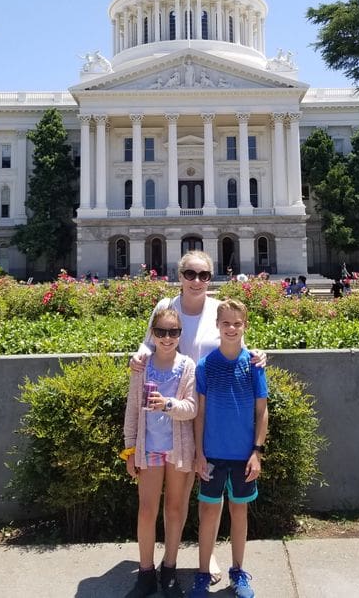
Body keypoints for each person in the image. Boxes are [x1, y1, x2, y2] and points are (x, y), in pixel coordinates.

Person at [131, 250, 267, 586]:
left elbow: (237, 344)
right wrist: (139, 354)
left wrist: (258, 355)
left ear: (211, 277)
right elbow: (150, 343)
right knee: (183, 493)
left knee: (204, 490)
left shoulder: (218, 310)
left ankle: (206, 556)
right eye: (190, 274)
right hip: (170, 412)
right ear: (179, 276)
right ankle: (171, 564)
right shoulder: (166, 306)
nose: (196, 281)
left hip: (206, 410)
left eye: (203, 275)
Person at [189, 299, 268, 598]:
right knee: (208, 513)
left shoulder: (254, 364)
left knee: (239, 512)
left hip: (243, 455)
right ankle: (201, 573)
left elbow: (262, 411)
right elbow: (200, 413)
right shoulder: (205, 366)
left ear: (245, 326)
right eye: (226, 323)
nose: (232, 328)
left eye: (237, 323)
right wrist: (199, 453)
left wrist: (256, 452)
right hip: (212, 454)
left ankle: (238, 571)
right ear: (217, 326)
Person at [123, 308, 197, 598]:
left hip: (177, 450)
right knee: (146, 510)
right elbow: (131, 410)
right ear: (152, 334)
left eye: (173, 332)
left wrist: (167, 404)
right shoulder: (142, 366)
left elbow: (192, 408)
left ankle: (169, 569)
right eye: (161, 332)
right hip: (149, 448)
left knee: (175, 509)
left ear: (180, 335)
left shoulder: (188, 366)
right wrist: (130, 449)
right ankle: (145, 572)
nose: (167, 338)